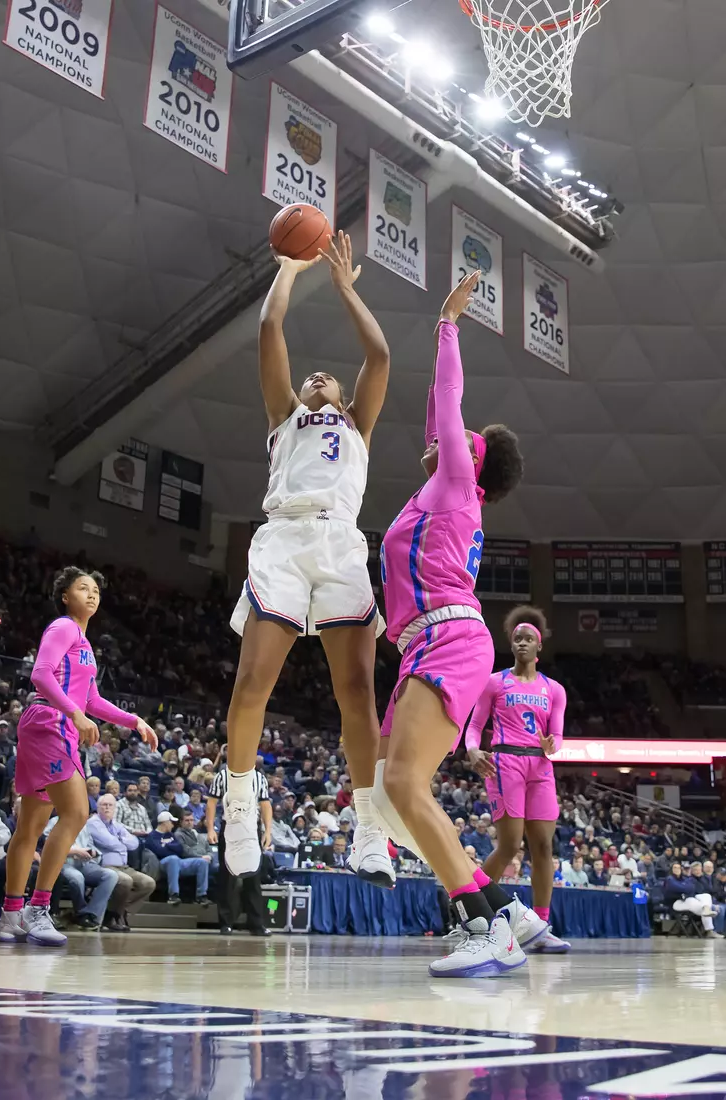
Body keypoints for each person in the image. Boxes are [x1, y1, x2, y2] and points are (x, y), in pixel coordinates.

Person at [222, 233, 394, 890]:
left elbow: (377, 355)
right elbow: (270, 326)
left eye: (328, 376)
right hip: (286, 541)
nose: (317, 375)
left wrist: (347, 289)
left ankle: (368, 830)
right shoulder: (284, 416)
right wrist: (290, 271)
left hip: (341, 544)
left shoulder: (358, 425)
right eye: (309, 375)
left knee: (358, 693)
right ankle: (238, 810)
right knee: (251, 683)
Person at [369, 275, 529, 979]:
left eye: (464, 442)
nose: (447, 440)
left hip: (449, 638)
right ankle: (500, 905)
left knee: (403, 786)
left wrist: (447, 326)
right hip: (425, 640)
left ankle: (483, 925)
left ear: (475, 464)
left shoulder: (459, 482)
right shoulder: (428, 498)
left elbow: (446, 401)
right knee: (389, 792)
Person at [0, 567, 157, 947]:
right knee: (78, 812)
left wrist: (134, 720)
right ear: (65, 596)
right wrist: (74, 714)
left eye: (96, 589)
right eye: (83, 588)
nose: (92, 594)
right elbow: (41, 674)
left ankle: (10, 916)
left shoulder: (83, 642)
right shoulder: (63, 627)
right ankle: (39, 909)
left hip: (50, 722)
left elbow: (93, 700)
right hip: (51, 721)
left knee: (30, 827)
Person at [466, 605, 570, 954]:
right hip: (505, 762)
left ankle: (540, 926)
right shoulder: (495, 682)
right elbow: (476, 726)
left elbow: (557, 738)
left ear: (539, 647)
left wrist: (550, 745)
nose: (522, 643)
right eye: (517, 639)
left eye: (529, 639)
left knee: (543, 847)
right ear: (511, 645)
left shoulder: (554, 689)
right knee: (510, 846)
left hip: (540, 768)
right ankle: (474, 915)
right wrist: (472, 750)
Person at [205, 764, 270, 936]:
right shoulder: (222, 776)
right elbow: (211, 803)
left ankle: (256, 924)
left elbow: (265, 804)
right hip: (230, 827)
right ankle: (226, 923)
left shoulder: (259, 777)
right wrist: (211, 828)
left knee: (253, 878)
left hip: (252, 828)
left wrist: (268, 831)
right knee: (227, 877)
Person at [89, 793, 156, 931]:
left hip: (124, 866)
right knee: (125, 881)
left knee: (148, 883)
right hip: (105, 866)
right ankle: (112, 916)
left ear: (115, 808)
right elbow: (108, 841)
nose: (107, 808)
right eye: (104, 805)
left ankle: (116, 910)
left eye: (110, 805)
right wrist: (121, 841)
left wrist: (120, 840)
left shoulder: (117, 825)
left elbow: (134, 843)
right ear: (98, 807)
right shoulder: (93, 823)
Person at [43, 815, 118, 930]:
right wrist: (73, 851)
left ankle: (91, 914)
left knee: (111, 875)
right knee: (77, 877)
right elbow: (49, 845)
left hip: (84, 864)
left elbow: (91, 846)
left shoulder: (83, 824)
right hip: (62, 863)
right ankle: (82, 914)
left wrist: (92, 853)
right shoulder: (54, 822)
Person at [145, 812, 210, 906]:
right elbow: (159, 851)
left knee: (202, 862)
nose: (172, 825)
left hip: (178, 861)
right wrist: (171, 848)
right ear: (165, 823)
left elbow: (179, 849)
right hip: (162, 863)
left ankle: (201, 896)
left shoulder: (170, 835)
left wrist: (167, 846)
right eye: (171, 822)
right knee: (173, 858)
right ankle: (173, 895)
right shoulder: (152, 836)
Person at [664, 861, 721, 939]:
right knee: (694, 902)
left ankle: (709, 927)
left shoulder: (684, 879)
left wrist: (686, 888)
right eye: (675, 868)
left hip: (685, 900)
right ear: (671, 869)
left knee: (706, 896)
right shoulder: (670, 879)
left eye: (678, 868)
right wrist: (686, 888)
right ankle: (708, 928)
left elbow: (694, 889)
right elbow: (685, 888)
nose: (677, 869)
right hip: (675, 903)